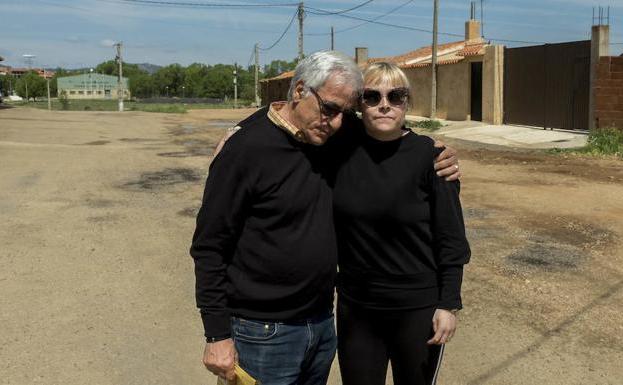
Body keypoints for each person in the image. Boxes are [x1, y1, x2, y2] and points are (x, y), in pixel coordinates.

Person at [190, 51, 460, 385]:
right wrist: (217, 334)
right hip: (264, 331)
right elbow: (209, 247)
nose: (334, 122)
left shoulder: (333, 138)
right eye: (330, 109)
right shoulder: (246, 149)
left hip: (320, 324)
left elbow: (387, 131)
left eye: (344, 114)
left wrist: (431, 145)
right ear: (300, 90)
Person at [330, 62, 471, 385]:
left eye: (396, 96)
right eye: (372, 96)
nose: (384, 104)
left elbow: (451, 239)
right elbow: (298, 107)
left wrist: (448, 304)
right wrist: (238, 132)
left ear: (407, 103)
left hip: (417, 310)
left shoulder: (431, 158)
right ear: (359, 103)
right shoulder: (339, 150)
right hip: (357, 309)